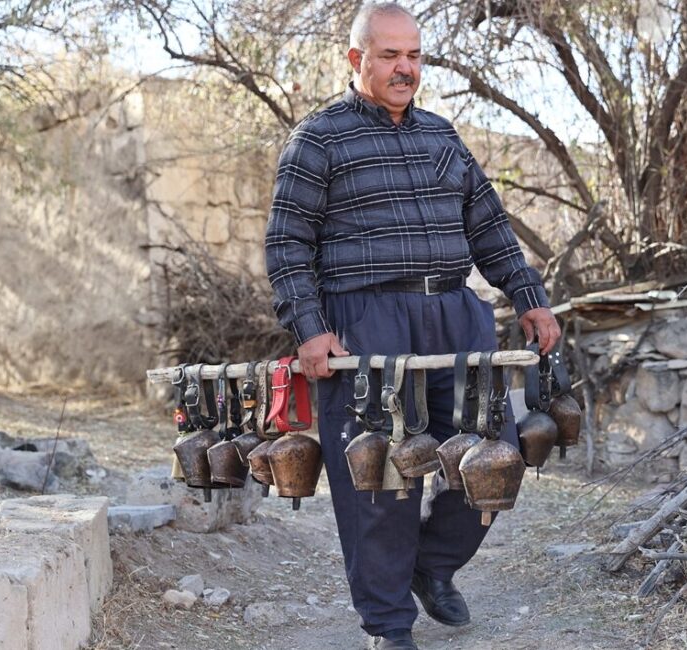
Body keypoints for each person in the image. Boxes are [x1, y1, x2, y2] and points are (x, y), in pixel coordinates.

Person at [265, 3, 560, 648]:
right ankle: (388, 622)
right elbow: (287, 243)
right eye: (390, 55)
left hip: (455, 313)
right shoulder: (319, 139)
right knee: (378, 474)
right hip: (365, 318)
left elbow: (488, 227)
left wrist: (529, 295)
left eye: (415, 55)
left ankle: (433, 566)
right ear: (356, 60)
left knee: (495, 452)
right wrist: (309, 329)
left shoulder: (441, 136)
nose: (405, 68)